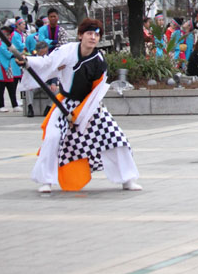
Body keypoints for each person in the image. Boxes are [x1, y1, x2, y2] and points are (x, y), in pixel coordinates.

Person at [16, 18, 141, 194]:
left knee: (115, 137)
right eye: (89, 33)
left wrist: (81, 114)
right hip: (65, 103)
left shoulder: (99, 60)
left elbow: (97, 91)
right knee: (52, 137)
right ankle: (46, 180)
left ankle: (127, 178)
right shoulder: (66, 51)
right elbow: (46, 63)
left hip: (90, 105)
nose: (93, 38)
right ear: (81, 35)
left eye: (96, 35)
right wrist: (27, 62)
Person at [0, 23, 23, 112]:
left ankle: (14, 105)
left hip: (8, 67)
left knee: (11, 87)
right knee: (1, 88)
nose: (9, 37)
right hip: (2, 68)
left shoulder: (7, 44)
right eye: (7, 35)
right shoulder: (1, 44)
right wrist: (17, 55)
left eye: (8, 35)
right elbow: (8, 54)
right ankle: (1, 105)